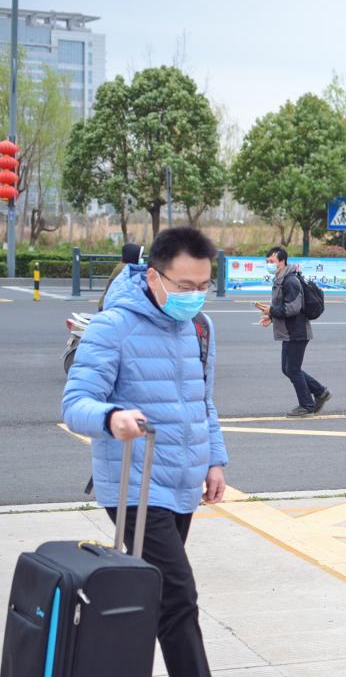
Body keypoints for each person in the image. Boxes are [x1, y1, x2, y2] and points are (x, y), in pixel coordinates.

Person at [62, 227, 227, 677]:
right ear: (153, 276)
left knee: (155, 599)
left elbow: (203, 401)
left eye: (203, 285)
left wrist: (214, 460)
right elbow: (75, 403)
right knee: (179, 598)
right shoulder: (113, 327)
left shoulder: (199, 327)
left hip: (183, 483)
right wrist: (111, 417)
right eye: (185, 285)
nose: (195, 296)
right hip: (133, 485)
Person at [257, 247, 330, 418]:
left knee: (292, 369)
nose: (269, 264)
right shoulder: (281, 280)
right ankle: (320, 392)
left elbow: (292, 308)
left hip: (297, 332)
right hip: (290, 332)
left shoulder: (290, 281)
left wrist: (271, 311)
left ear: (282, 261)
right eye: (267, 262)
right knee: (288, 369)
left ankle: (307, 405)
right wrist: (272, 317)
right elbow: (285, 307)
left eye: (271, 261)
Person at [97, 242, 144, 311]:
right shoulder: (126, 269)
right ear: (133, 256)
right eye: (140, 257)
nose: (142, 259)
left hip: (108, 303)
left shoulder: (124, 266)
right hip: (110, 306)